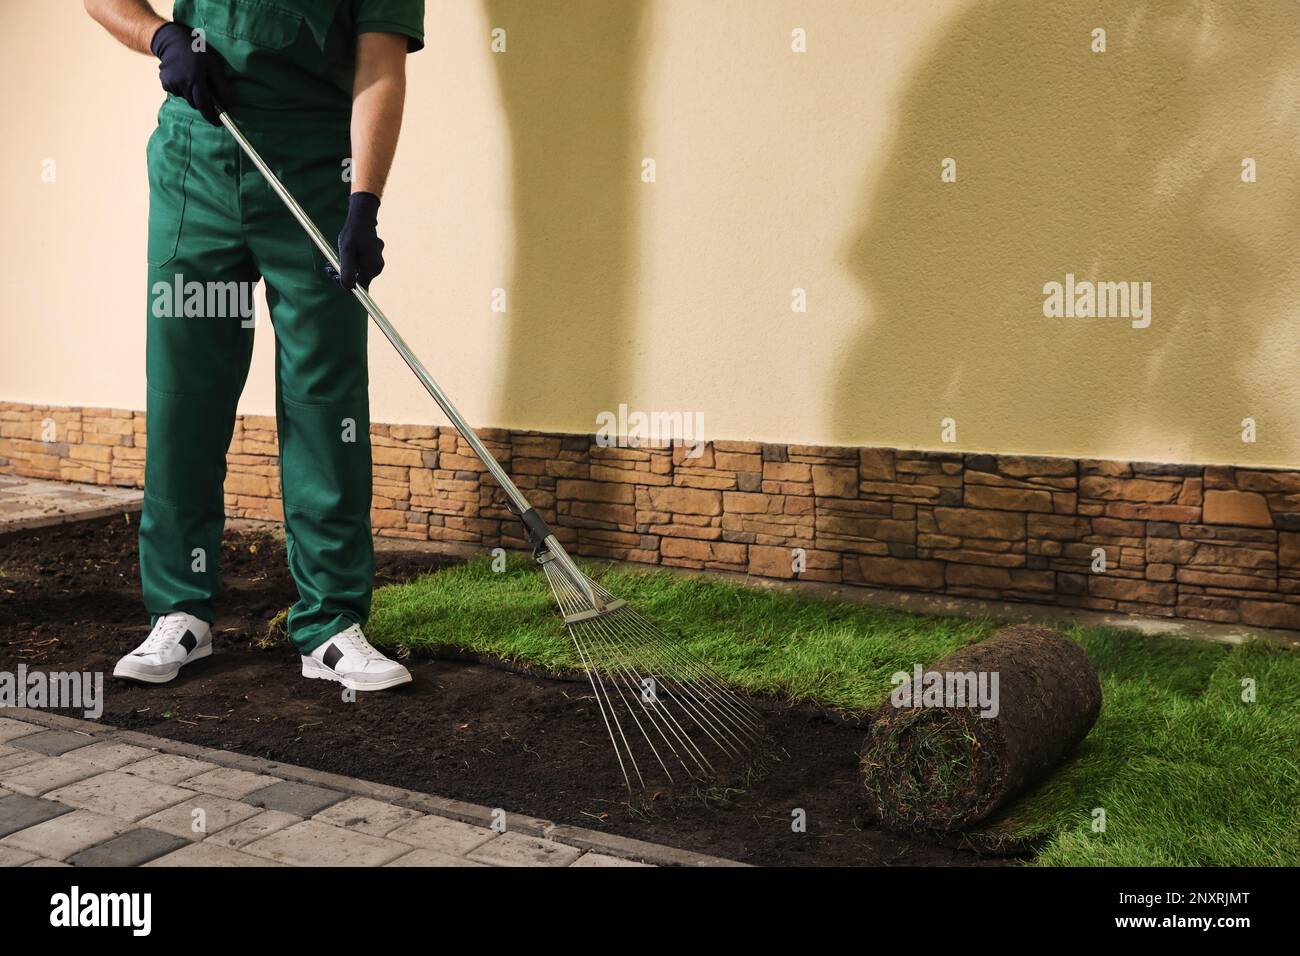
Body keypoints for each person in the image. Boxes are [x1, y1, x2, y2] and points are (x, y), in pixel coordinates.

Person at [84, 0, 425, 691]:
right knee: (186, 393)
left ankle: (329, 625)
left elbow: (379, 65)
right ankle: (180, 610)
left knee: (325, 399)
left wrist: (364, 202)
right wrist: (163, 38)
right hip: (198, 162)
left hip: (313, 169)